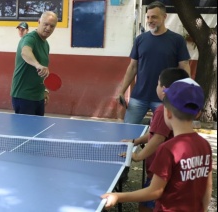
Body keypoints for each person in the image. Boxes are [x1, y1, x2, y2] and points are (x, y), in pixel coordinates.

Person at [102, 78, 212, 211]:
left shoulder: (167, 149)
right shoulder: (205, 145)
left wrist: (119, 197)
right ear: (198, 113)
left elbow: (155, 191)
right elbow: (207, 186)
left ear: (168, 112)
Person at [119, 68, 189, 212]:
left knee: (146, 205)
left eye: (158, 84)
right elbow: (155, 133)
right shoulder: (176, 109)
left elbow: (158, 139)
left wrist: (137, 157)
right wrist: (135, 141)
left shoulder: (162, 110)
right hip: (167, 169)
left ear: (164, 89)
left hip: (160, 170)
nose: (156, 86)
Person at [118, 1, 191, 124]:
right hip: (139, 97)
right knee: (128, 131)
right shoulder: (140, 40)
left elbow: (184, 67)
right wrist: (121, 91)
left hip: (164, 97)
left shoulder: (177, 40)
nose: (150, 20)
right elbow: (132, 67)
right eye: (148, 17)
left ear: (164, 17)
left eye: (154, 17)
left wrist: (187, 90)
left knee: (162, 135)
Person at [10, 11, 58, 116]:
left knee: (38, 130)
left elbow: (42, 71)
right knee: (25, 131)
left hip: (38, 97)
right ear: (39, 22)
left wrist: (45, 90)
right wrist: (38, 65)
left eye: (52, 26)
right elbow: (25, 52)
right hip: (24, 96)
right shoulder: (30, 38)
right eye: (46, 24)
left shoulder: (46, 44)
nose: (48, 28)